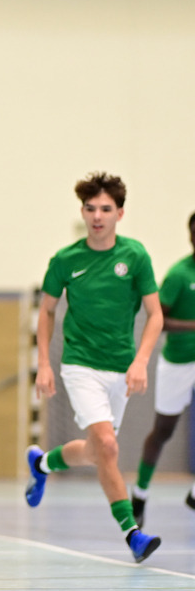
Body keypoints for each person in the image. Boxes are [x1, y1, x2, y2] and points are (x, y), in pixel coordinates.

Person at [26, 172, 164, 563]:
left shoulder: (135, 256)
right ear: (83, 213)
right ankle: (132, 534)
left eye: (106, 209)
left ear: (120, 213)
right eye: (90, 209)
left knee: (94, 451)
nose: (97, 216)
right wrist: (44, 365)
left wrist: (140, 361)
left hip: (121, 369)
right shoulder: (66, 260)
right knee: (107, 446)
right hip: (80, 365)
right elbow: (47, 311)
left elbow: (154, 315)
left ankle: (42, 462)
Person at [130, 211, 195, 526]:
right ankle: (140, 495)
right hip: (179, 361)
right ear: (190, 236)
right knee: (163, 430)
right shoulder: (179, 275)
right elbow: (161, 319)